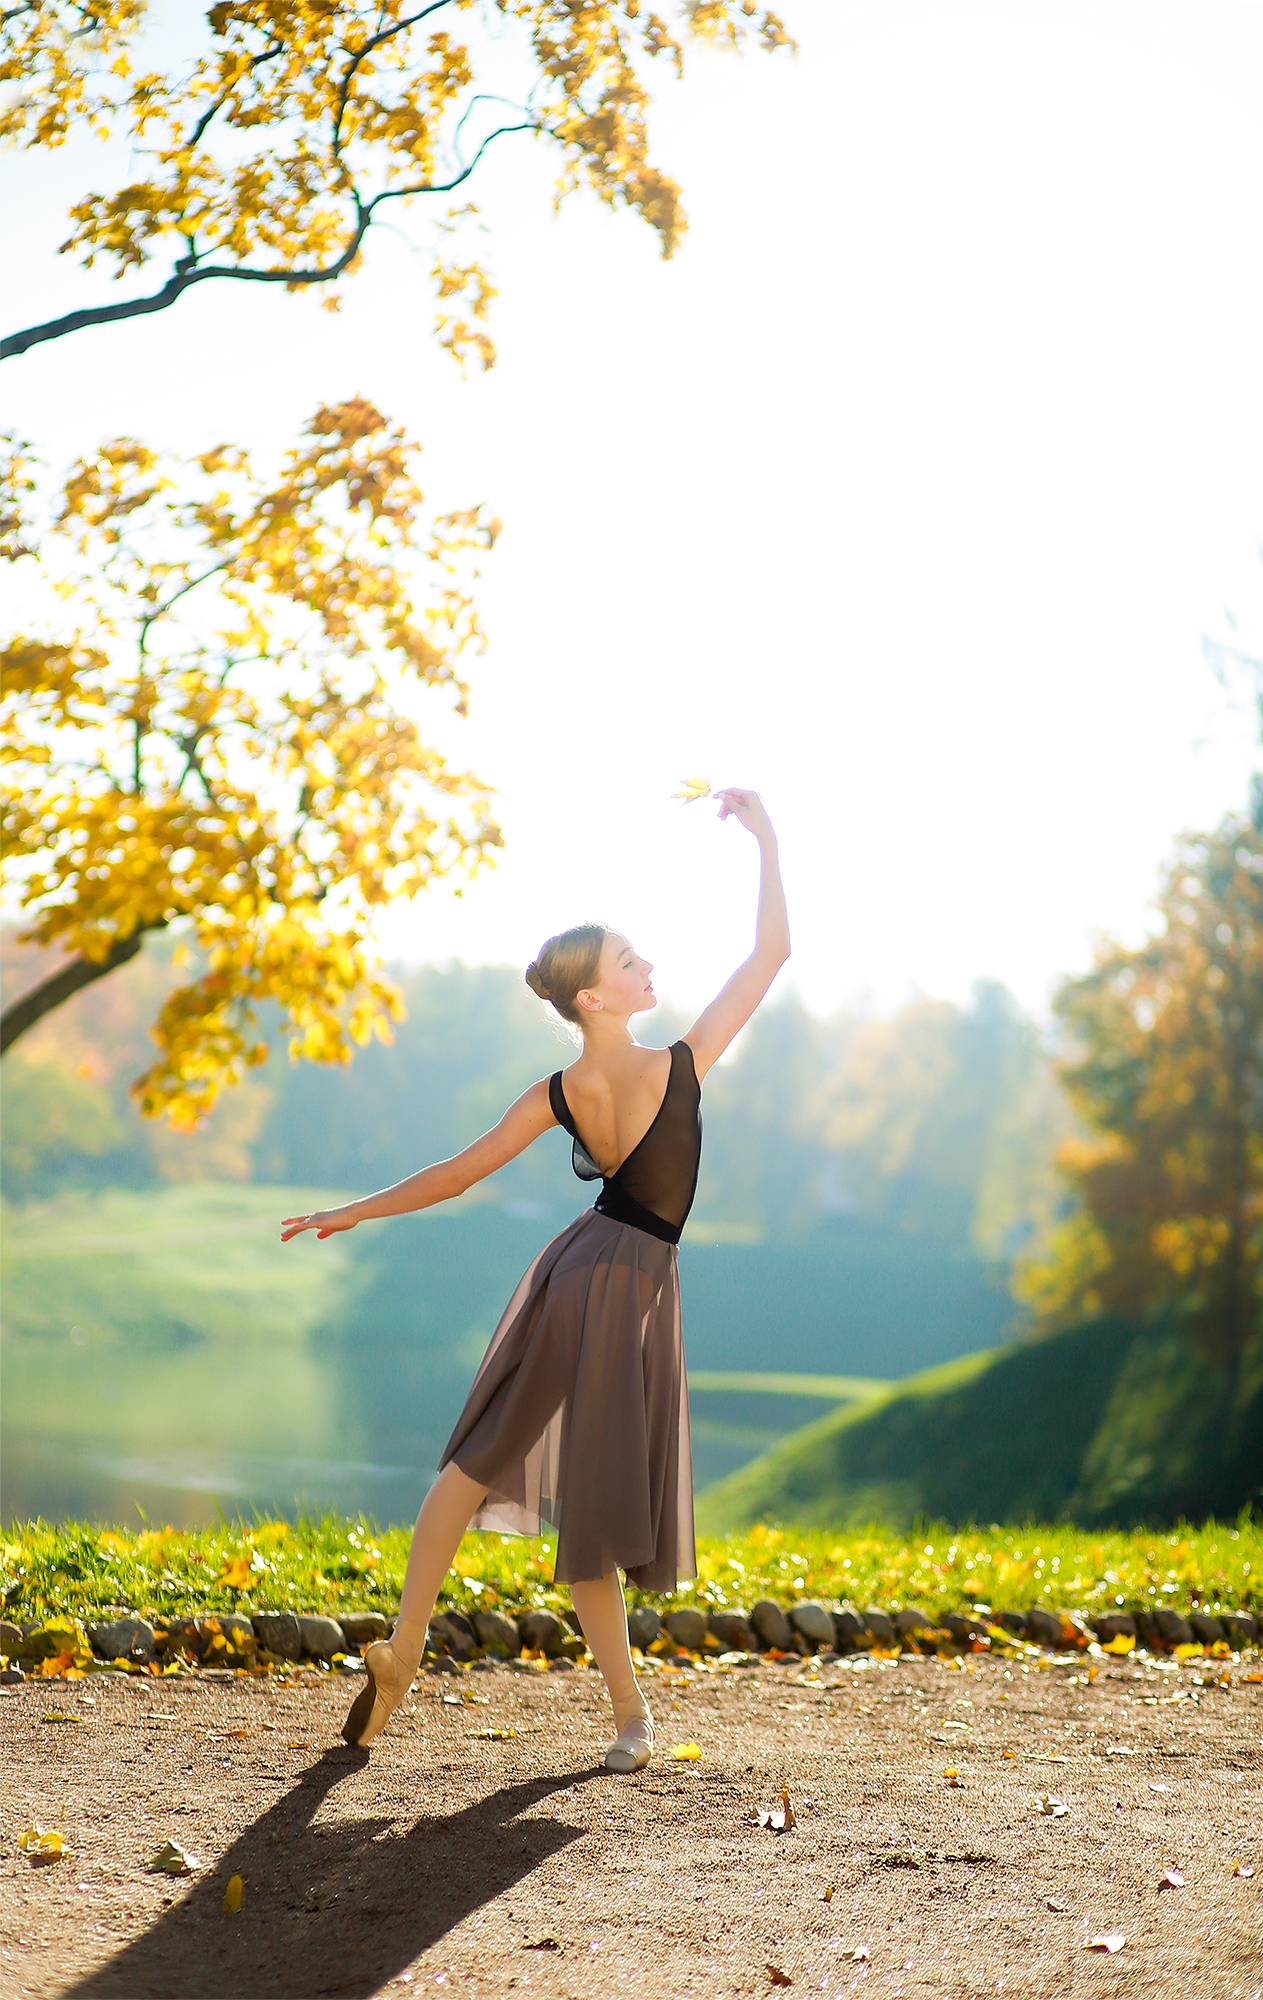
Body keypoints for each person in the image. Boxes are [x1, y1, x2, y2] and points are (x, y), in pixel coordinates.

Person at [281, 788, 789, 1770]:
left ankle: (407, 1646)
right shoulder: (676, 1067)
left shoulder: (561, 1091)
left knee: (475, 1464)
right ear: (595, 998)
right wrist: (767, 840)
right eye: (630, 961)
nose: (649, 966)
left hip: (580, 1266)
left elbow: (457, 1171)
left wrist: (351, 1209)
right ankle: (630, 1718)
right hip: (618, 1278)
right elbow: (770, 956)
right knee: (585, 1501)